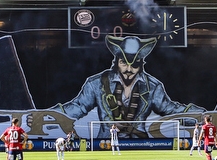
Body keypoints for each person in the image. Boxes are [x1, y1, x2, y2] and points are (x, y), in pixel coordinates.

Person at [54, 36, 205, 138]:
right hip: (104, 144)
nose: (128, 69)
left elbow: (171, 110)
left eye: (134, 65)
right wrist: (47, 116)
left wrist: (202, 117)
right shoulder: (96, 83)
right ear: (116, 62)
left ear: (141, 65)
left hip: (141, 144)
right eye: (124, 63)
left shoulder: (153, 87)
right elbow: (77, 107)